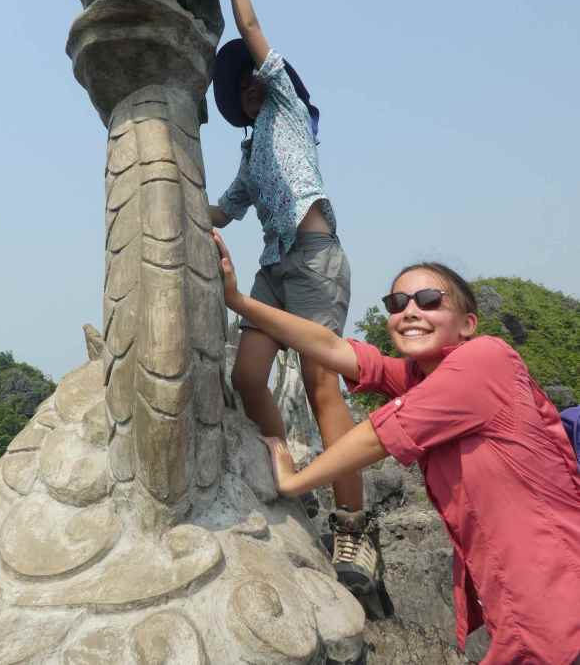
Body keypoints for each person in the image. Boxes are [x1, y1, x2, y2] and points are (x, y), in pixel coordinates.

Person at [212, 229, 580, 665]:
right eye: (397, 303)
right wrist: (239, 301)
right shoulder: (423, 379)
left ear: (468, 325)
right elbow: (330, 346)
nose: (410, 312)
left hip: (556, 603)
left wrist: (295, 481)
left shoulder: (486, 360)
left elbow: (378, 435)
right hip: (520, 609)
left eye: (429, 300)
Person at [207, 0, 377, 593]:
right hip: (272, 269)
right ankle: (290, 476)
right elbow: (221, 211)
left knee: (319, 381)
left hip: (312, 259)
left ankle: (353, 524)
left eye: (251, 76)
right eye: (240, 88)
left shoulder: (288, 109)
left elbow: (250, 27)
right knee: (248, 375)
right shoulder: (251, 154)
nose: (247, 86)